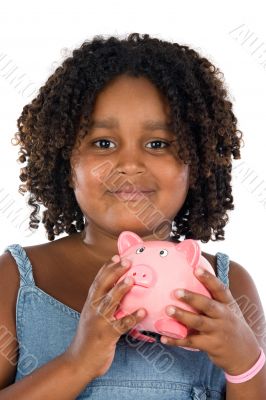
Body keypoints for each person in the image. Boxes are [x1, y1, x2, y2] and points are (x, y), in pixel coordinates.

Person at [0, 33, 265, 399]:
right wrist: (79, 362)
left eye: (158, 144)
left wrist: (245, 363)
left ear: (197, 161)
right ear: (66, 161)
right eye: (103, 143)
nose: (128, 164)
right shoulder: (17, 279)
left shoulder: (228, 286)